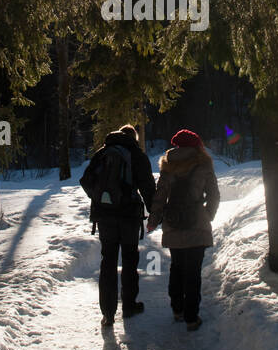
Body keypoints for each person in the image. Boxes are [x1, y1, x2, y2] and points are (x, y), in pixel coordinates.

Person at [81, 123, 156, 329]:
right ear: (134, 137)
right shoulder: (136, 155)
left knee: (108, 260)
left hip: (104, 217)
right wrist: (154, 213)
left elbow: (85, 180)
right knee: (130, 259)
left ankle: (108, 313)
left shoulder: (102, 152)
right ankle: (129, 306)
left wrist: (100, 198)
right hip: (129, 215)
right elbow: (148, 186)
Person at [147, 129, 220, 331]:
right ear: (197, 145)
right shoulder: (204, 164)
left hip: (173, 224)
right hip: (197, 223)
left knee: (177, 267)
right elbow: (214, 195)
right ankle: (191, 317)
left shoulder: (168, 165)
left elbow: (160, 197)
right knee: (193, 272)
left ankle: (177, 309)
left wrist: (153, 220)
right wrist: (207, 215)